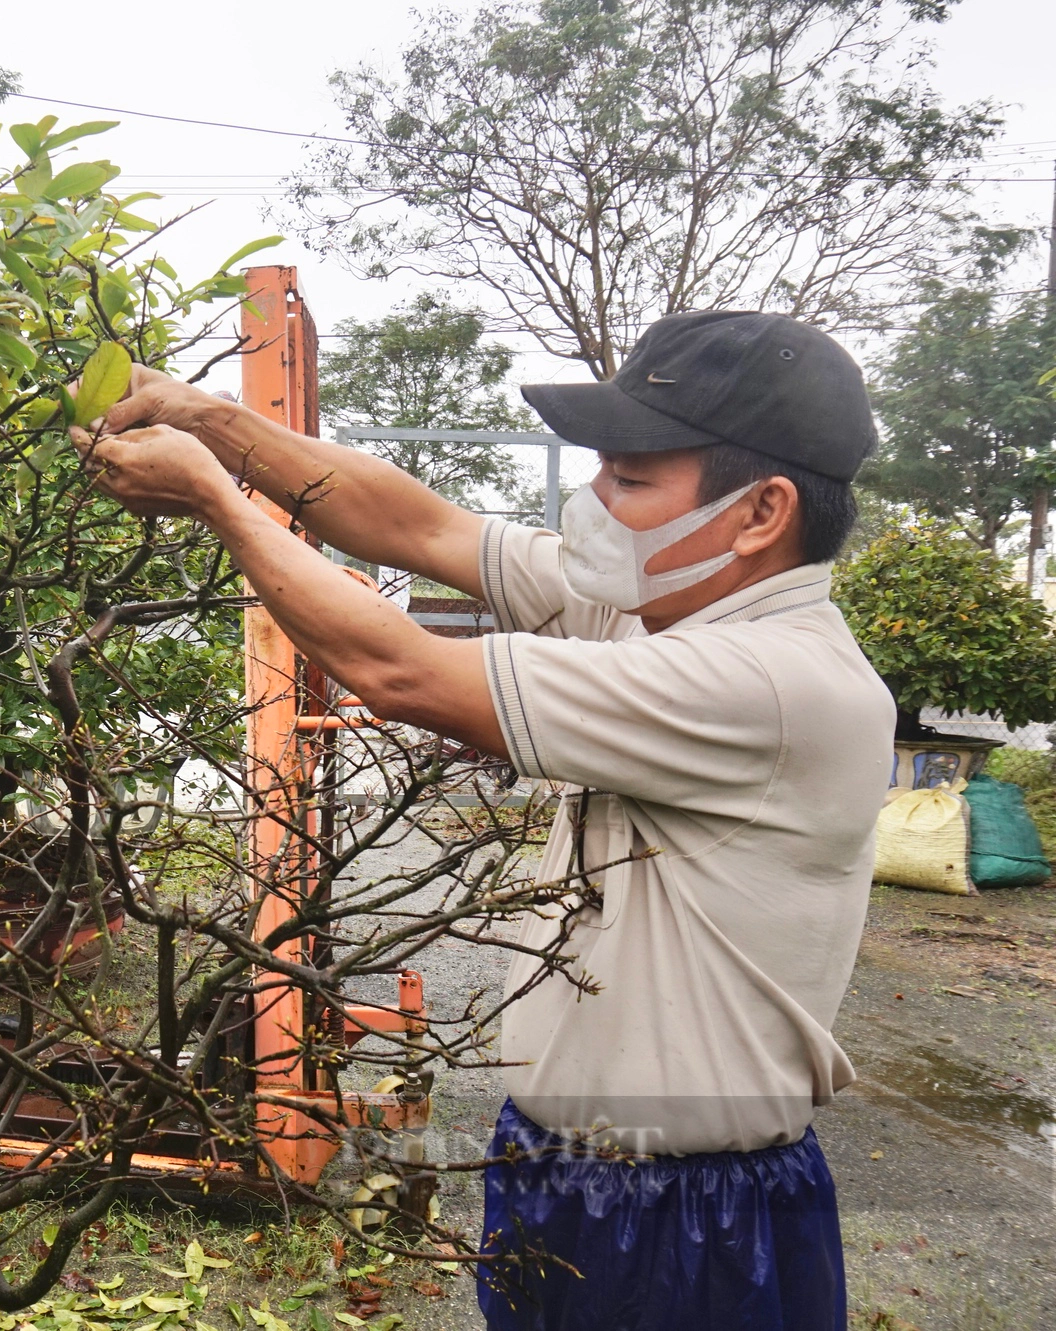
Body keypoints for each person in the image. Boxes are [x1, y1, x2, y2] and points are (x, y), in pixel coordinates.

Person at [72, 310, 892, 1331]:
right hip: (563, 1170)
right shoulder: (660, 611)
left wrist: (215, 503)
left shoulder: (774, 680)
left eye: (630, 479)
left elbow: (396, 669)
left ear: (759, 510)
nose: (593, 500)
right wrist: (211, 419)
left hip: (685, 1212)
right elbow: (420, 528)